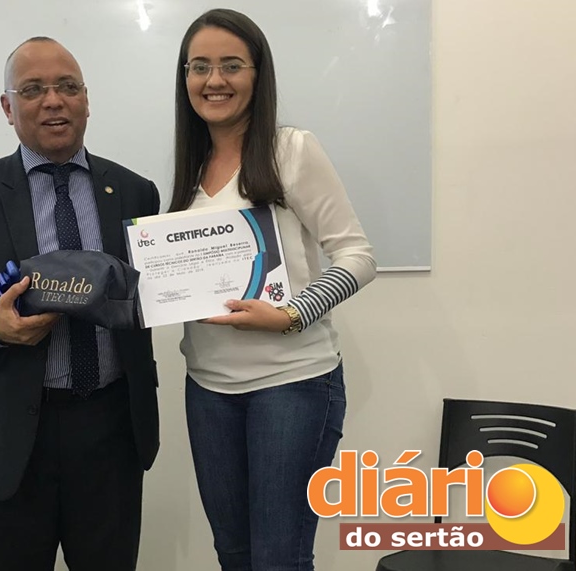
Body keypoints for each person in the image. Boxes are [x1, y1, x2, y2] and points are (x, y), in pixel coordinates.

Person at [0, 37, 160, 571]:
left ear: (86, 99)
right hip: (10, 436)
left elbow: (148, 295)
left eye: (67, 87)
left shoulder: (136, 192)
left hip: (112, 430)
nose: (53, 100)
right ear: (8, 106)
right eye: (32, 90)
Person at [171, 9, 377, 571]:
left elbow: (358, 257)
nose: (214, 80)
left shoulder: (292, 149)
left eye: (231, 65)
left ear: (258, 75)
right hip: (207, 388)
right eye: (199, 67)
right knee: (234, 554)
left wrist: (291, 314)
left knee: (279, 559)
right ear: (185, 77)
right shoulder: (191, 165)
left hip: (292, 385)